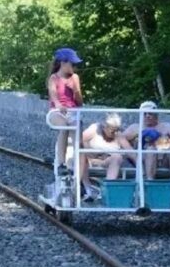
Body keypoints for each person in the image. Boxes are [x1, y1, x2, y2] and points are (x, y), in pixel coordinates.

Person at [122, 101, 170, 180]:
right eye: (144, 114)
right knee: (150, 149)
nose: (147, 116)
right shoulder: (135, 127)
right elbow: (120, 139)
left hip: (164, 160)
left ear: (156, 114)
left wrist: (163, 141)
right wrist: (137, 137)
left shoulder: (166, 126)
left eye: (150, 113)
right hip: (143, 160)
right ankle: (149, 182)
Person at [46, 47, 84, 176]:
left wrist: (75, 91)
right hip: (56, 112)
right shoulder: (54, 78)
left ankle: (77, 168)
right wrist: (58, 105)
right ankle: (62, 163)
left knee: (77, 136)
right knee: (64, 126)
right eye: (72, 63)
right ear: (63, 63)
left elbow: (79, 102)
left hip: (72, 111)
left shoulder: (75, 78)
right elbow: (53, 96)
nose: (75, 66)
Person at [79, 113, 131, 201]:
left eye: (116, 130)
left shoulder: (118, 135)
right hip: (89, 160)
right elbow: (78, 141)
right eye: (112, 131)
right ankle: (88, 189)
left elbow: (130, 151)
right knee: (81, 154)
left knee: (117, 157)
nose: (115, 133)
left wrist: (140, 165)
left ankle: (107, 191)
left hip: (106, 161)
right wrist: (90, 152)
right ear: (105, 127)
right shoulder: (95, 129)